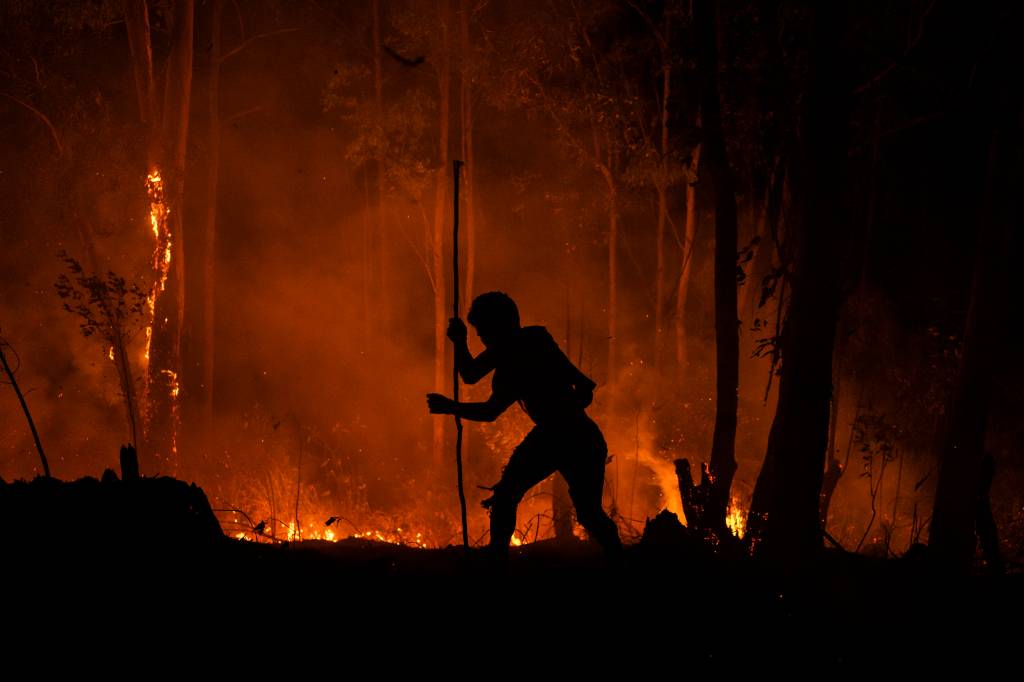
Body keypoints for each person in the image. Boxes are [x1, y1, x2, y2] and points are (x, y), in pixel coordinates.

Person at [426, 291, 622, 560]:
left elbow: (488, 408)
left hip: (565, 435)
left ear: (500, 325)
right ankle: (620, 560)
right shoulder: (529, 344)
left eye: (483, 330)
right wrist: (460, 342)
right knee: (586, 513)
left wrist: (451, 406)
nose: (481, 337)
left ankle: (497, 560)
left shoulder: (520, 351)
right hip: (575, 435)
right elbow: (471, 376)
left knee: (515, 496)